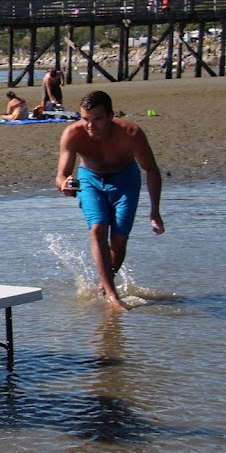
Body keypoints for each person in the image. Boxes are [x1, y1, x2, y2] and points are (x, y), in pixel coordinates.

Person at [56, 90, 164, 311]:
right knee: (97, 230)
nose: (90, 126)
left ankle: (103, 287)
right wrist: (64, 185)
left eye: (97, 119)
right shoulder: (72, 134)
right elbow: (60, 176)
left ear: (111, 115)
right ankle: (112, 294)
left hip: (126, 180)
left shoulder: (131, 132)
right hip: (90, 180)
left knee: (119, 241)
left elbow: (151, 170)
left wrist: (155, 211)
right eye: (85, 119)